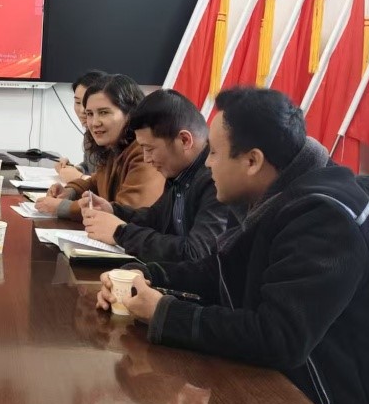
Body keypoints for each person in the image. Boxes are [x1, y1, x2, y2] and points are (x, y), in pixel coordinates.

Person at [96, 88, 369, 404]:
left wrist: (163, 313)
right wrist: (147, 276)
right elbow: (219, 273)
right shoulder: (279, 199)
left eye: (214, 153)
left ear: (252, 161)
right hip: (312, 402)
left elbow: (278, 338)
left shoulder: (324, 217)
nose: (207, 164)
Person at [80, 89, 232, 264]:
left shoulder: (217, 180)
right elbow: (155, 218)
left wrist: (121, 233)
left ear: (184, 140)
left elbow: (197, 254)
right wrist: (113, 211)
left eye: (149, 149)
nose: (146, 158)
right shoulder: (179, 173)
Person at [36, 74, 163, 219]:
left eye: (104, 113)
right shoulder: (114, 145)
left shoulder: (145, 152)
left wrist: (63, 207)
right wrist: (70, 192)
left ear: (130, 113)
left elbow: (126, 211)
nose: (94, 123)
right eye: (90, 114)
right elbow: (97, 182)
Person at [55, 70, 107, 184]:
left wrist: (80, 177)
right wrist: (74, 169)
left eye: (87, 102)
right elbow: (90, 167)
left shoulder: (113, 139)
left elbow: (111, 186)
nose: (83, 110)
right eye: (78, 102)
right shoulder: (89, 135)